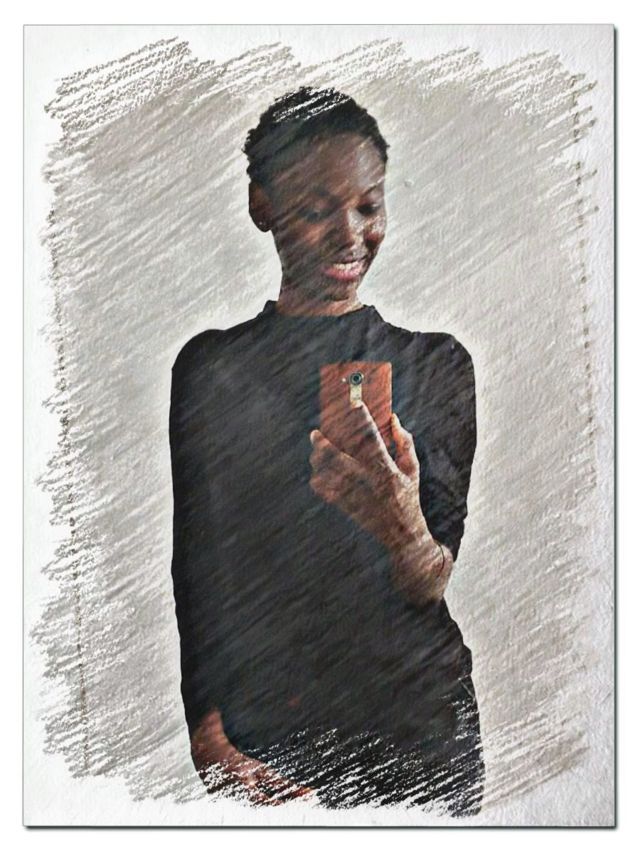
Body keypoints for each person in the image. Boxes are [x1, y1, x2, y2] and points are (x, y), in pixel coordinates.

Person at [169, 87, 485, 814]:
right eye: (316, 210)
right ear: (262, 206)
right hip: (270, 737)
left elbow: (430, 581)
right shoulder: (212, 370)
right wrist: (207, 735)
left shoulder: (438, 365)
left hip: (420, 733)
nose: (351, 234)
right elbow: (200, 565)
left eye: (369, 206)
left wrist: (403, 526)